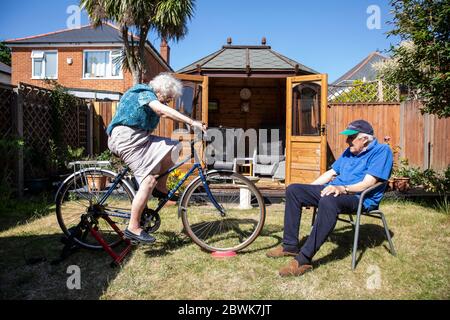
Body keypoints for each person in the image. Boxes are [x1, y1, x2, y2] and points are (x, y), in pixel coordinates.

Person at [267, 120, 393, 276]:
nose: (347, 141)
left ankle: (304, 259)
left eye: (350, 137)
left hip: (358, 197)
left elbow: (367, 184)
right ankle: (290, 246)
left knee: (329, 199)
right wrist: (309, 190)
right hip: (336, 190)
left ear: (364, 139)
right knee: (294, 190)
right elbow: (330, 173)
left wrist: (343, 189)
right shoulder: (350, 151)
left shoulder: (382, 151)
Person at [107, 73, 206, 244]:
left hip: (140, 138)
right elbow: (160, 110)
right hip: (127, 139)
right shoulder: (144, 92)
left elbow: (166, 113)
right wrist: (191, 122)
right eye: (167, 98)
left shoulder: (153, 98)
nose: (167, 102)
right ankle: (133, 227)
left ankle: (161, 187)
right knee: (148, 181)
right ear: (159, 90)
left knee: (175, 146)